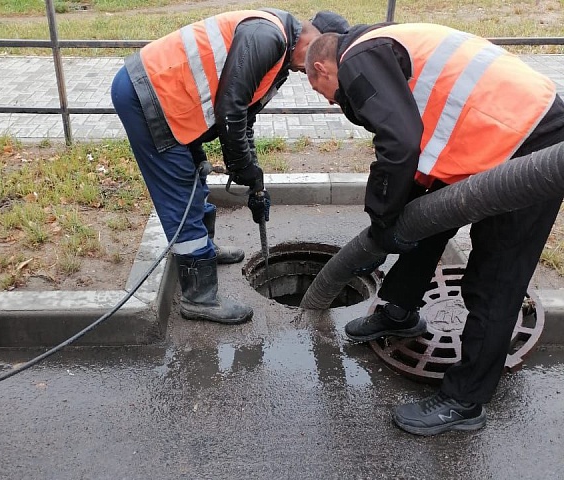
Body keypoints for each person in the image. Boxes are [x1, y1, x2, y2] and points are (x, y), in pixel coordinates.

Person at [305, 25, 564, 435]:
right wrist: (387, 225)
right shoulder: (380, 43)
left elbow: (400, 142)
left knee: (495, 276)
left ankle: (464, 402)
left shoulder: (356, 59)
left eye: (325, 91)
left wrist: (381, 219)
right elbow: (414, 139)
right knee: (422, 219)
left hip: (531, 141)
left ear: (322, 67)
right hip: (484, 134)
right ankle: (400, 312)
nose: (335, 102)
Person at [111, 9, 348, 325]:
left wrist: (251, 169)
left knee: (196, 171)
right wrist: (240, 165)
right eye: (327, 56)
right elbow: (230, 108)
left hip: (177, 100)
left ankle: (203, 250)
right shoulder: (268, 38)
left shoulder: (280, 62)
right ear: (316, 38)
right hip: (149, 94)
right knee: (179, 189)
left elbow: (245, 117)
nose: (313, 72)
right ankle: (199, 297)